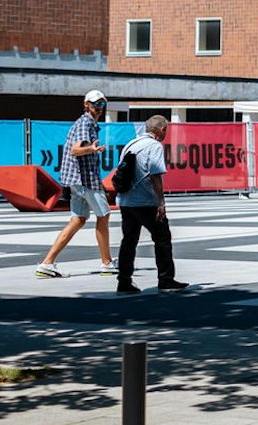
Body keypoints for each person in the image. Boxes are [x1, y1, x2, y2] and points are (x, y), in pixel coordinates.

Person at [35, 90, 114, 278]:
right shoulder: (85, 123)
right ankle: (107, 263)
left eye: (102, 104)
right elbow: (75, 150)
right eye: (95, 104)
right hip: (84, 178)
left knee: (78, 219)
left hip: (76, 180)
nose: (99, 107)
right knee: (104, 215)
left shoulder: (90, 123)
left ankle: (47, 263)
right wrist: (91, 149)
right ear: (86, 104)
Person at [115, 115, 187, 295]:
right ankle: (166, 279)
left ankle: (124, 281)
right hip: (145, 201)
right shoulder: (154, 146)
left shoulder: (131, 144)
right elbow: (155, 175)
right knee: (162, 237)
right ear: (161, 130)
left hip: (126, 200)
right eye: (166, 130)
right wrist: (161, 202)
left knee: (128, 241)